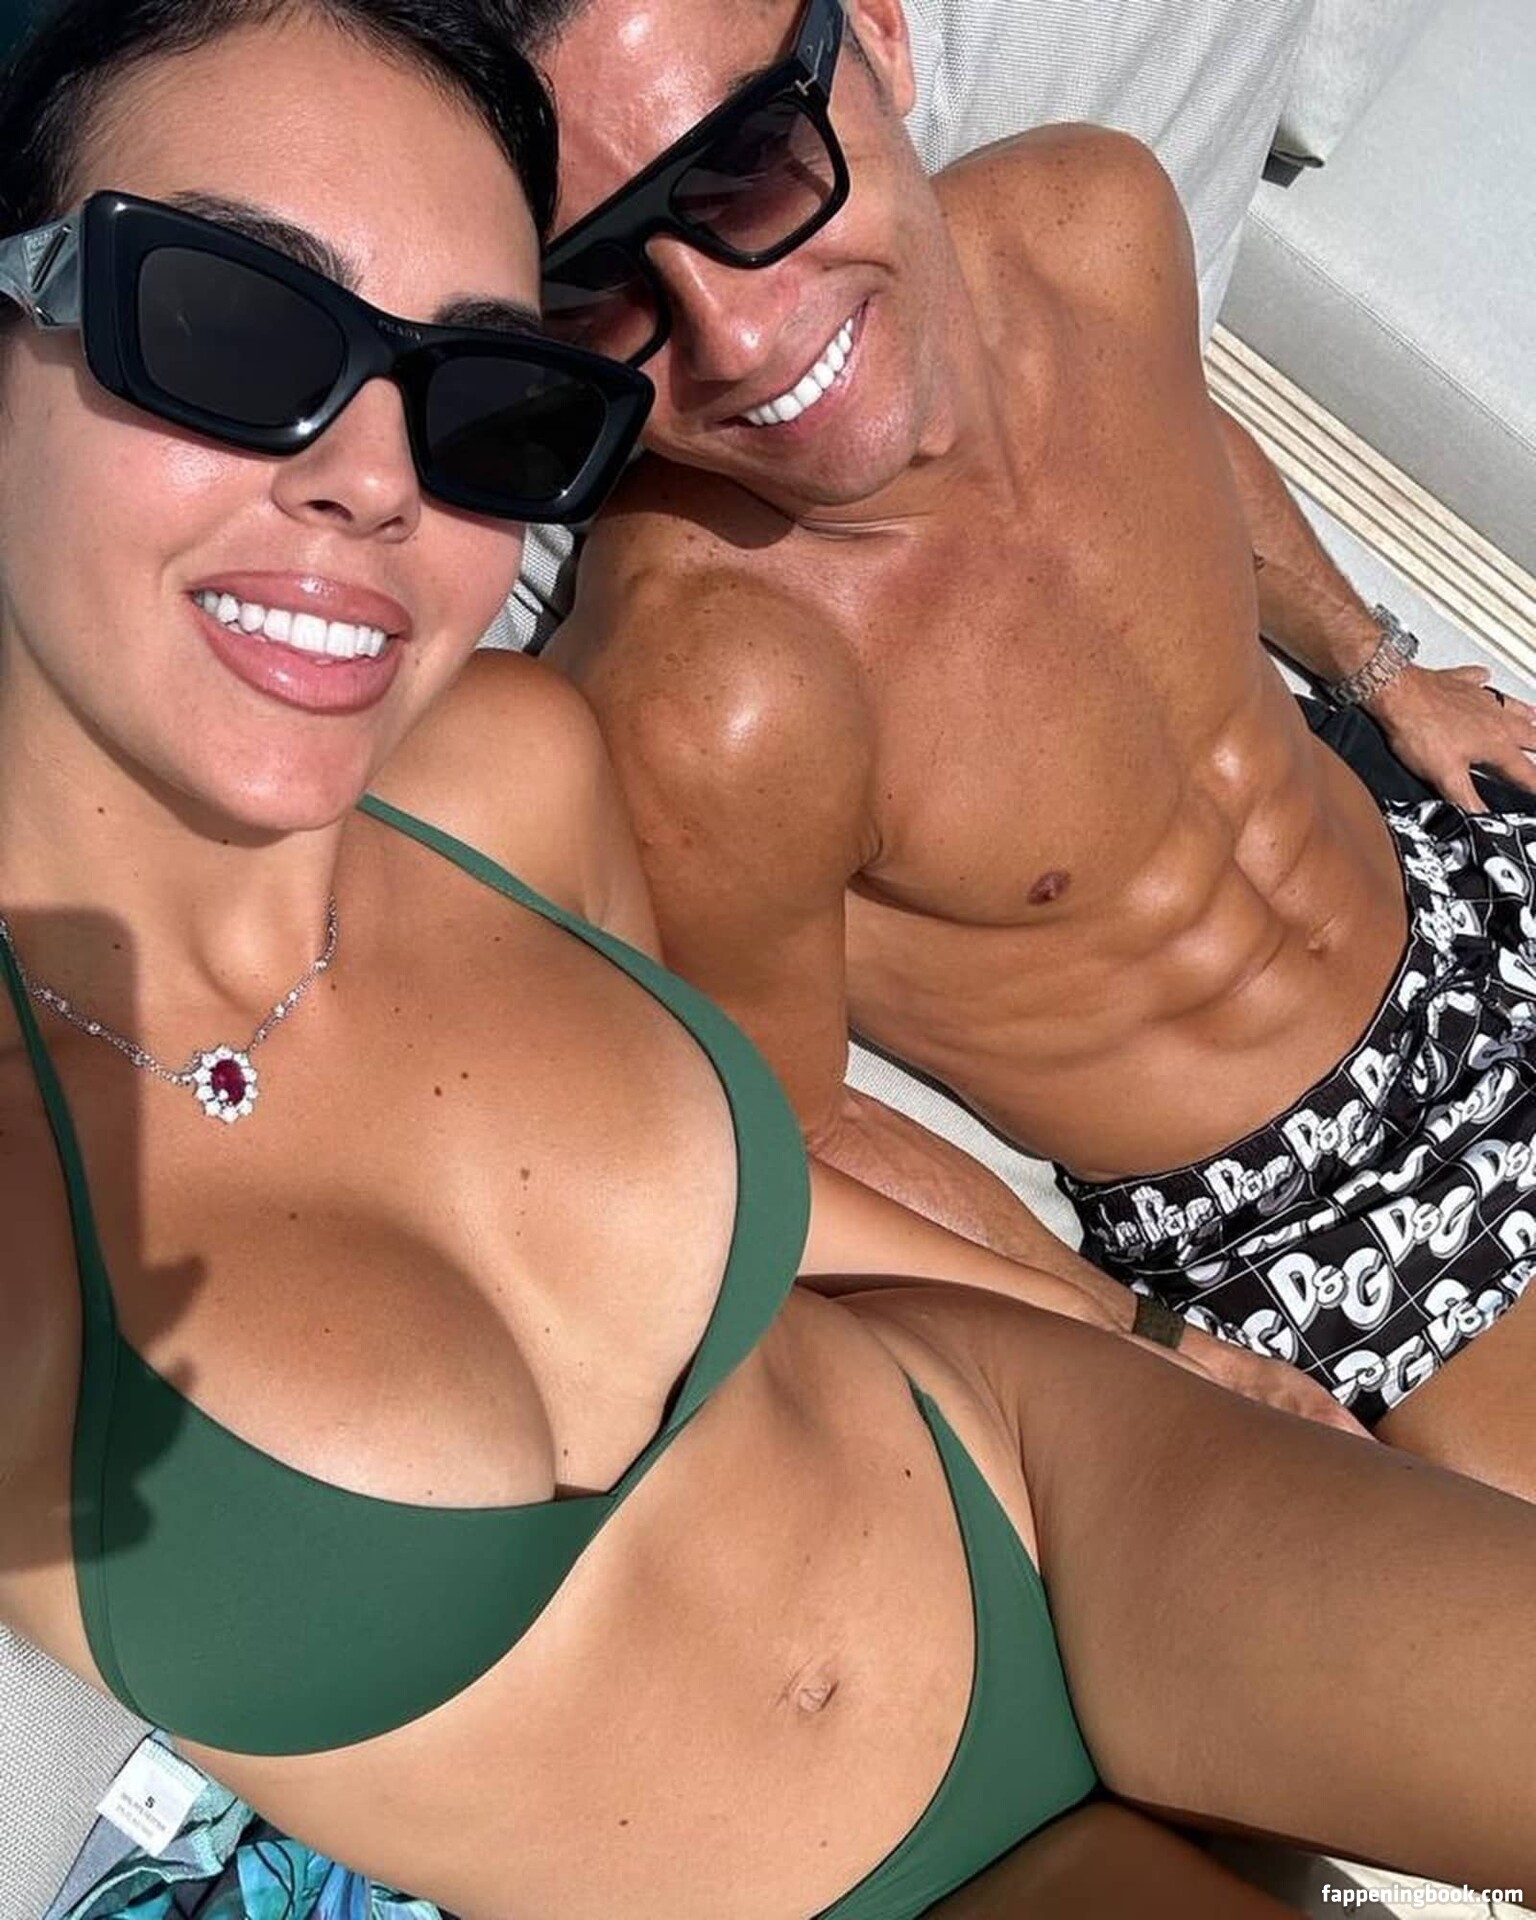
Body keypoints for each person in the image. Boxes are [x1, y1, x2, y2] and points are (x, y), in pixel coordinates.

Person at [0, 5, 1533, 1919]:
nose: (375, 480)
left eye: (477, 399)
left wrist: (1134, 1342)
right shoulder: (693, 697)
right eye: (228, 328)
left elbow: (772, 1180)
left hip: (1053, 1478)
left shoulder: (509, 776)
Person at [525, 0, 1536, 1499]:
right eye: (595, 282)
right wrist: (1136, 1340)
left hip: (1460, 884)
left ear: (881, 40)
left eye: (744, 164)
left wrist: (1379, 665)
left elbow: (1180, 433)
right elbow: (778, 1132)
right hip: (1319, 1207)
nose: (732, 336)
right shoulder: (720, 697)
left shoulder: (1090, 218)